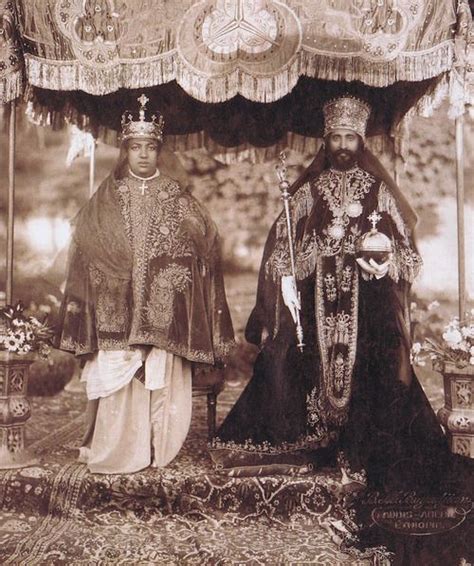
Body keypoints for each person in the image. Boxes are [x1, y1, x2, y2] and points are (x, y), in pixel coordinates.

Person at [209, 95, 468, 494]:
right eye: (337, 137)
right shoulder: (308, 191)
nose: (344, 145)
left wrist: (385, 265)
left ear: (360, 141)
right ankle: (312, 438)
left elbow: (408, 255)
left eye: (350, 137)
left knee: (379, 361)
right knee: (288, 358)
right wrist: (293, 271)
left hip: (368, 301)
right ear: (326, 141)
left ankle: (364, 444)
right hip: (317, 301)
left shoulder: (380, 190)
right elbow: (282, 249)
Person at [57, 94, 235, 474]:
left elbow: (202, 245)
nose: (142, 155)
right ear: (125, 150)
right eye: (135, 147)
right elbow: (86, 244)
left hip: (161, 314)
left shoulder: (176, 197)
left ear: (159, 151)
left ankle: (156, 446)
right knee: (117, 379)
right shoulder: (107, 196)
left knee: (157, 372)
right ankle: (114, 447)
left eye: (150, 148)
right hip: (115, 309)